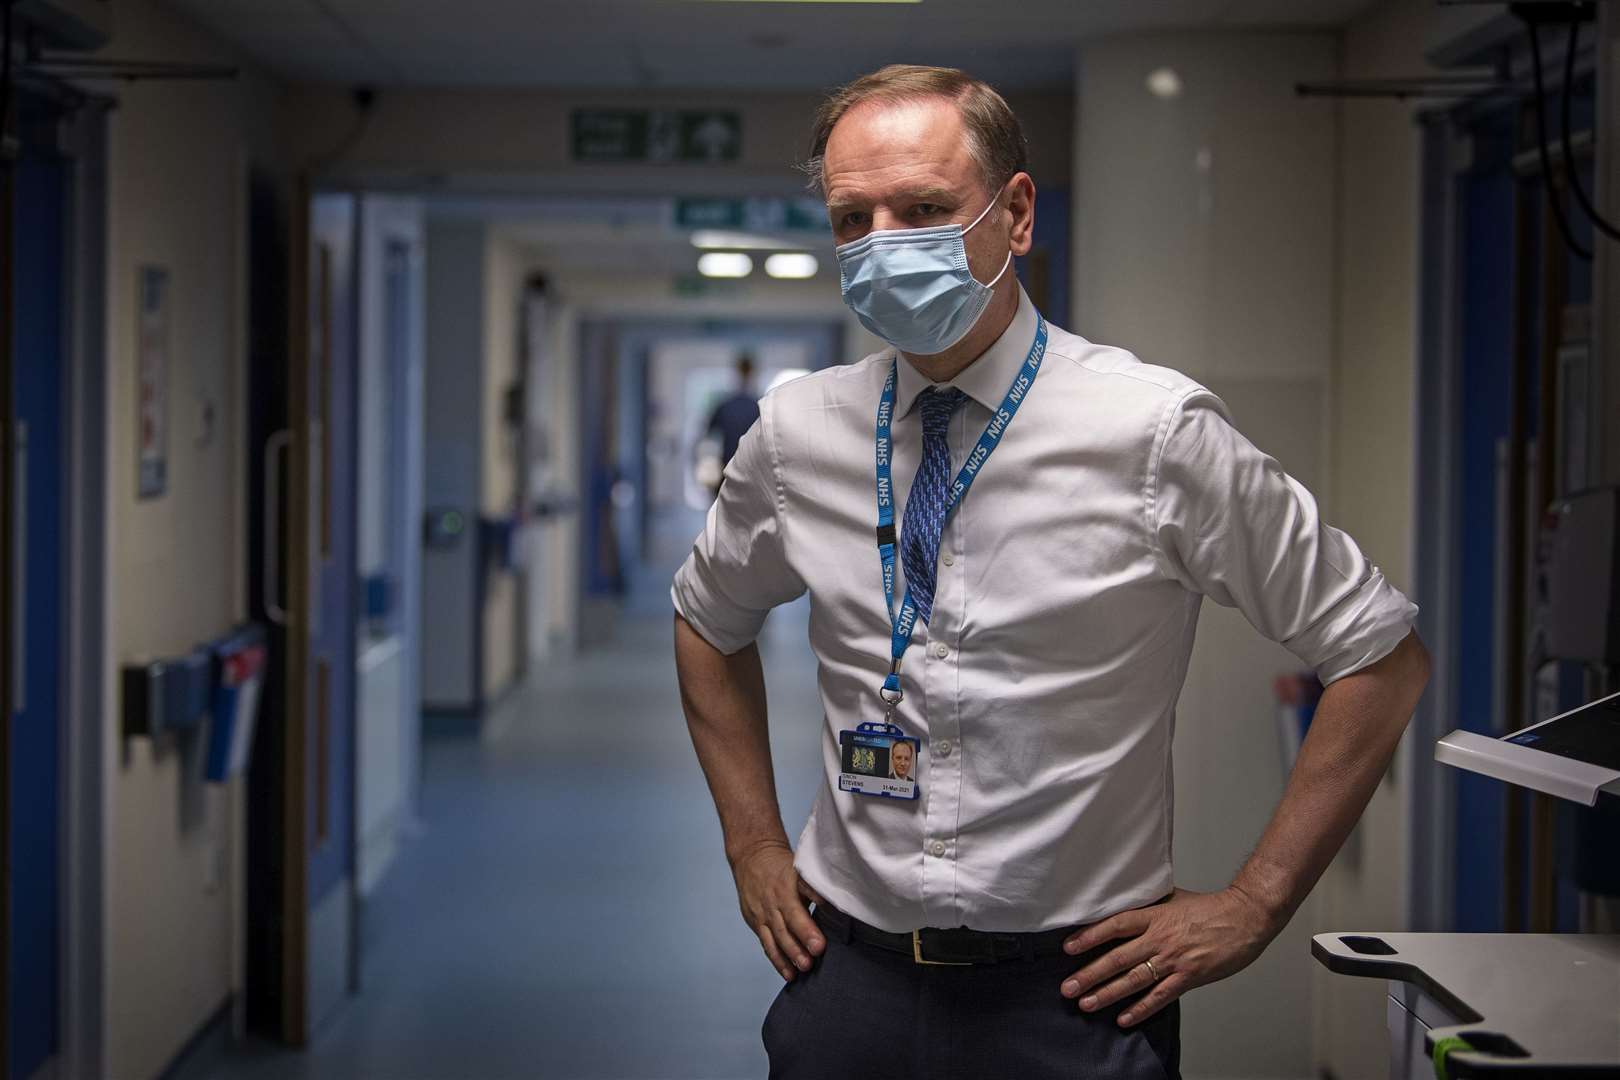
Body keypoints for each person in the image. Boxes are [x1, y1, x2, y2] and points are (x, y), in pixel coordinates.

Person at [671, 64, 1430, 1080]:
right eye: (854, 219)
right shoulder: (797, 435)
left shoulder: (1152, 432)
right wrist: (753, 848)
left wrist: (1254, 905)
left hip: (1075, 998)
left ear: (1015, 213)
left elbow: (1379, 652)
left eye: (925, 209)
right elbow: (706, 622)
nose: (883, 245)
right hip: (844, 981)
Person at [699, 353, 762, 496]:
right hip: (752, 473)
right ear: (753, 372)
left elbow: (708, 437)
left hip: (727, 471)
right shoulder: (760, 407)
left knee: (723, 514)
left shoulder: (724, 406)